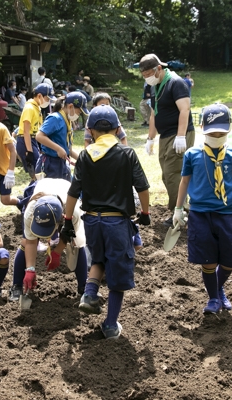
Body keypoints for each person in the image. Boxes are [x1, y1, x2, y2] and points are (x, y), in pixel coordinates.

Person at [63, 105, 151, 339]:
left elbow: (73, 192)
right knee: (118, 274)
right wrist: (145, 213)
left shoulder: (84, 155)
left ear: (90, 131)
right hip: (117, 223)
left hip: (92, 221)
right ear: (117, 129)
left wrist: (66, 221)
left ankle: (90, 293)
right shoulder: (127, 153)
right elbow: (142, 187)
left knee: (98, 258)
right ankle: (111, 325)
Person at [173, 103, 232, 315]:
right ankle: (214, 297)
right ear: (201, 128)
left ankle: (218, 288)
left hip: (227, 214)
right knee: (208, 260)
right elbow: (184, 182)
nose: (217, 135)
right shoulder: (192, 154)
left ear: (229, 128)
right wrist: (178, 209)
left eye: (221, 132)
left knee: (229, 261)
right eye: (212, 132)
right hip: (200, 214)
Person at [9, 178, 88, 302]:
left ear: (60, 220)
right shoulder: (31, 211)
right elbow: (31, 241)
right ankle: (17, 286)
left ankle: (84, 288)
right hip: (44, 188)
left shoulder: (73, 213)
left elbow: (67, 235)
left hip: (65, 193)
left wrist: (57, 252)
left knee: (77, 244)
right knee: (24, 242)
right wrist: (30, 269)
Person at [139, 53, 195, 225]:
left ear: (159, 69)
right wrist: (150, 138)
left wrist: (180, 136)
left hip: (179, 134)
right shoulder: (156, 87)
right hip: (166, 135)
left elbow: (185, 109)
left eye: (149, 74)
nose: (147, 78)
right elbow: (154, 114)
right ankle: (182, 207)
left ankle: (180, 212)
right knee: (166, 174)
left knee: (173, 173)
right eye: (144, 75)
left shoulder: (176, 83)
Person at [35, 91, 89, 181]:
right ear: (70, 106)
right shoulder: (56, 118)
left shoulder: (68, 121)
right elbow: (39, 136)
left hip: (62, 163)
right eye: (79, 112)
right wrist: (58, 149)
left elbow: (69, 151)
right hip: (50, 163)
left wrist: (83, 161)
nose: (79, 115)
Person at [16, 83, 53, 182]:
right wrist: (29, 151)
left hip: (33, 140)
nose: (48, 102)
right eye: (47, 99)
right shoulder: (29, 108)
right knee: (37, 173)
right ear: (39, 96)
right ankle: (31, 194)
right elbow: (26, 131)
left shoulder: (37, 107)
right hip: (25, 141)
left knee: (38, 173)